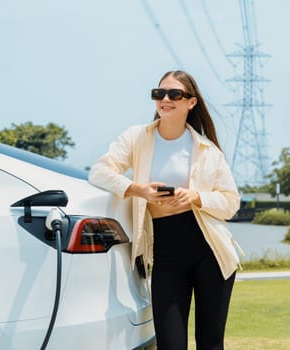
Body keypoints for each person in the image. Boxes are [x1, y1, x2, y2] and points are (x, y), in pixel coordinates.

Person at [88, 70, 242, 350]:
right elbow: (99, 172)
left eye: (174, 94)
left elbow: (231, 202)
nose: (165, 99)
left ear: (191, 103)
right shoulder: (136, 138)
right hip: (166, 254)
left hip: (211, 252)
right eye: (159, 93)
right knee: (170, 344)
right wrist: (140, 190)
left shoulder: (208, 150)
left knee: (210, 342)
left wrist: (196, 197)